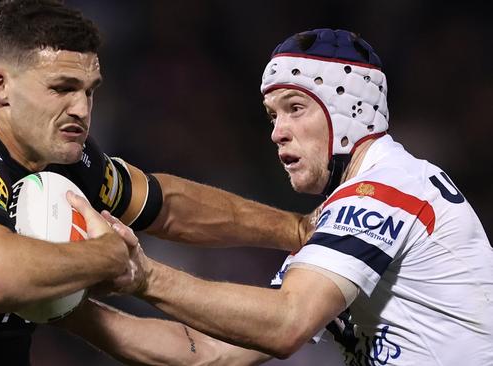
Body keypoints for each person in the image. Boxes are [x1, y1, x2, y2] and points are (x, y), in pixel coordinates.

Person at [0, 1, 308, 365]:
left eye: (91, 91)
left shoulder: (60, 163)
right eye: (62, 88)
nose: (83, 110)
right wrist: (108, 256)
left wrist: (303, 234)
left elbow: (166, 206)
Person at [96, 28, 493, 365]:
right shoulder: (352, 213)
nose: (277, 132)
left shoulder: (385, 190)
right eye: (273, 115)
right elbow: (209, 353)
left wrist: (146, 277)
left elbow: (287, 324)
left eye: (296, 108)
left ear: (349, 112)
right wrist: (71, 312)